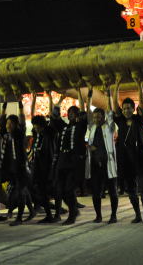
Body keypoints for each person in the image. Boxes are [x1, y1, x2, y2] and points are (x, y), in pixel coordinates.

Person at [112, 77, 143, 224]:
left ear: (133, 109)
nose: (127, 110)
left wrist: (139, 84)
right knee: (131, 190)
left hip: (139, 159)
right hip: (125, 160)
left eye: (129, 108)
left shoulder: (139, 120)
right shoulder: (120, 120)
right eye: (125, 108)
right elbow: (114, 104)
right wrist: (117, 85)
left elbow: (141, 101)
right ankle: (138, 215)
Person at [51, 91, 88, 226]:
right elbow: (55, 116)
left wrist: (82, 95)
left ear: (77, 115)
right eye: (70, 113)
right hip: (62, 161)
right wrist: (60, 100)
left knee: (68, 189)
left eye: (74, 113)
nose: (71, 114)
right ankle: (73, 211)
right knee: (59, 189)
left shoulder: (80, 127)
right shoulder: (64, 127)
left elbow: (85, 115)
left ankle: (72, 213)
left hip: (74, 162)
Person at [85, 88, 119, 224]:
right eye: (94, 117)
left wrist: (109, 94)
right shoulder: (91, 128)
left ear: (103, 117)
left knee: (112, 191)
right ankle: (98, 216)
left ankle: (114, 215)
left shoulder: (109, 127)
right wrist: (89, 95)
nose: (96, 119)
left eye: (98, 116)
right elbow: (87, 110)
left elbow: (110, 111)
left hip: (108, 163)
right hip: (95, 165)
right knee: (96, 192)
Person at [1, 101, 34, 226]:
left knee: (20, 192)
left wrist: (20, 107)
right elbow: (2, 122)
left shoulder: (19, 134)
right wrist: (4, 108)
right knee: (23, 190)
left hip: (21, 168)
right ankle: (31, 211)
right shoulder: (7, 136)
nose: (8, 125)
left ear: (15, 125)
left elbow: (23, 121)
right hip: (12, 168)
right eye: (7, 123)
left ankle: (19, 217)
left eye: (10, 123)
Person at [30, 113, 57, 224]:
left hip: (46, 169)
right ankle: (51, 214)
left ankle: (54, 214)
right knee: (41, 192)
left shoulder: (47, 135)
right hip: (38, 169)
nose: (35, 128)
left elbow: (49, 153)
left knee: (48, 192)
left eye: (36, 126)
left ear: (41, 126)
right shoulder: (38, 136)